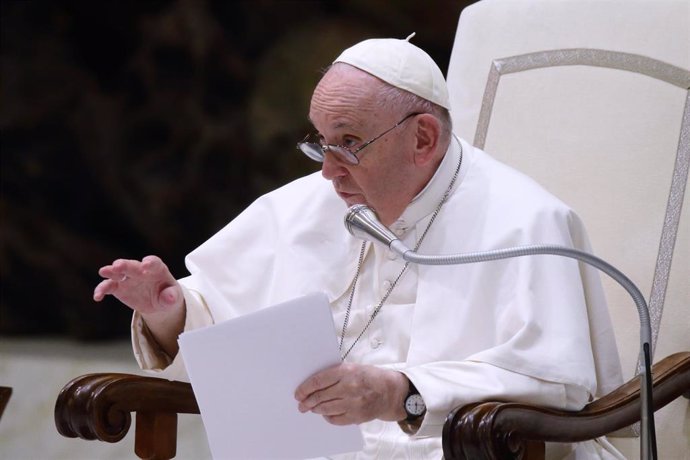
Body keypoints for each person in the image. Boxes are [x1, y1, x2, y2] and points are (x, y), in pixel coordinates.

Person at [94, 36, 625, 459]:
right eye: (319, 143)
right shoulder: (301, 205)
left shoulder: (525, 221)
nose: (327, 171)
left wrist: (400, 392)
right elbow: (226, 332)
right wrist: (171, 311)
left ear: (423, 139)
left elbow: (555, 386)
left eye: (349, 144)